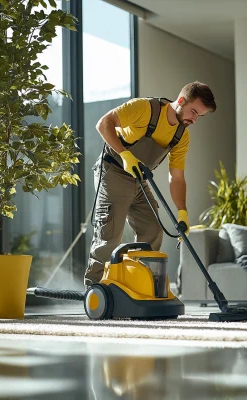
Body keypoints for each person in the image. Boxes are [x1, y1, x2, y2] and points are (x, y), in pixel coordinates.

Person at [85, 81, 217, 287]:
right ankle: (94, 290)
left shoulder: (181, 136)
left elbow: (177, 177)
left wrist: (182, 211)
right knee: (109, 234)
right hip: (114, 171)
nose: (194, 119)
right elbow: (104, 123)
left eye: (199, 116)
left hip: (139, 178)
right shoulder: (144, 108)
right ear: (181, 101)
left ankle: (139, 285)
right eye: (193, 112)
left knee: (153, 229)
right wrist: (125, 154)